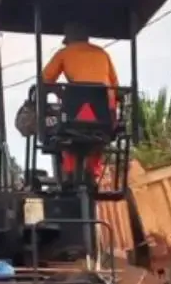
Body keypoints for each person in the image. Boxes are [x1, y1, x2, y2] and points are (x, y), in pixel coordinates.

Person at [40, 21, 120, 182]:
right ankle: (93, 172)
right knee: (100, 137)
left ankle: (69, 172)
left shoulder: (64, 53)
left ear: (69, 40)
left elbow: (44, 80)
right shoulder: (102, 53)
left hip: (75, 113)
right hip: (105, 112)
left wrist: (61, 94)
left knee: (65, 134)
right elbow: (115, 85)